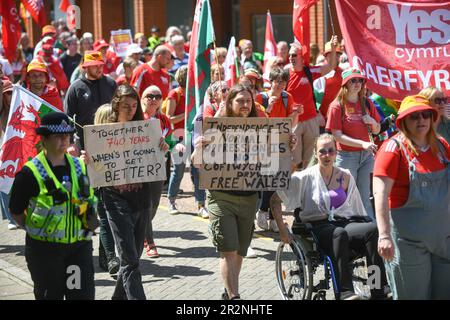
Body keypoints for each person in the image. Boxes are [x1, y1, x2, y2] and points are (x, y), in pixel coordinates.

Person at [192, 84, 297, 299]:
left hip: (249, 198)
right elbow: (195, 163)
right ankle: (234, 297)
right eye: (240, 100)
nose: (245, 105)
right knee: (228, 250)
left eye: (248, 101)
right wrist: (200, 148)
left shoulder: (260, 127)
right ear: (229, 102)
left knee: (239, 250)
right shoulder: (210, 126)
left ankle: (229, 290)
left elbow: (274, 158)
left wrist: (287, 144)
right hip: (221, 197)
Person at [272, 133, 390, 300]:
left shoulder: (345, 175)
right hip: (316, 226)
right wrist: (283, 230)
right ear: (315, 153)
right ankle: (344, 292)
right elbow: (275, 200)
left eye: (330, 151)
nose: (327, 155)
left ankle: (378, 289)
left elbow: (355, 208)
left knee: (372, 229)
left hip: (342, 222)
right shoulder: (304, 177)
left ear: (336, 153)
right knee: (338, 234)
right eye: (322, 151)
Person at [8, 112, 97, 300]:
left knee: (81, 296)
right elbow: (16, 212)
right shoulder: (29, 173)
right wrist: (39, 229)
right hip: (45, 252)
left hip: (78, 249)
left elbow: (86, 200)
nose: (65, 139)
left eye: (68, 135)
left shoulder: (79, 166)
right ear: (44, 139)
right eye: (59, 135)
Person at [373, 95, 450, 300]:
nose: (421, 120)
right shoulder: (393, 148)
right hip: (409, 243)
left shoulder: (442, 146)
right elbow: (380, 193)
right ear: (403, 121)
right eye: (414, 116)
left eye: (426, 115)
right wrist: (384, 235)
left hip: (443, 239)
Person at [98, 84, 168, 300]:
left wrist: (161, 150)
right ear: (116, 106)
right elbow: (98, 166)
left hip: (141, 199)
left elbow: (155, 163)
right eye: (125, 105)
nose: (130, 109)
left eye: (134, 105)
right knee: (129, 258)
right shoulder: (104, 132)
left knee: (133, 256)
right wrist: (90, 162)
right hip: (115, 199)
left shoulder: (145, 129)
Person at [326, 68, 381, 218]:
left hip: (366, 156)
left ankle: (369, 228)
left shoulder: (367, 103)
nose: (358, 83)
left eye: (360, 80)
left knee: (364, 194)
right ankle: (340, 225)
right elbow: (337, 136)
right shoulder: (337, 105)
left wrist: (373, 122)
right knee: (344, 194)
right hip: (347, 155)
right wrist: (362, 144)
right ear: (346, 84)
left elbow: (377, 130)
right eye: (353, 80)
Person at [254, 67, 300, 231]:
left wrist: (296, 114)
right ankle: (262, 211)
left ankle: (273, 218)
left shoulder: (288, 98)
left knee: (279, 180)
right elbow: (256, 122)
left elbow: (290, 124)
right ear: (271, 81)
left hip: (281, 143)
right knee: (268, 179)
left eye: (283, 81)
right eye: (277, 81)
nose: (280, 84)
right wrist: (268, 109)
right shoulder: (261, 97)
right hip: (265, 143)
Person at [286, 36, 339, 169]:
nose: (291, 58)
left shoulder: (310, 71)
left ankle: (307, 188)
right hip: (293, 122)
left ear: (301, 57)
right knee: (293, 160)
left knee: (310, 160)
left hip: (311, 120)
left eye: (294, 55)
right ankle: (294, 187)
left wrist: (332, 49)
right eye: (290, 55)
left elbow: (331, 67)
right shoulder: (285, 74)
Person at [141, 85, 175, 258]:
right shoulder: (137, 118)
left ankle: (142, 230)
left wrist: (167, 144)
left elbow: (171, 143)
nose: (153, 99)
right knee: (145, 205)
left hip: (158, 166)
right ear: (143, 98)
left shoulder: (164, 120)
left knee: (153, 205)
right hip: (139, 167)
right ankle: (149, 241)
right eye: (149, 95)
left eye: (157, 96)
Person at [65, 50, 117, 150]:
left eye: (101, 65)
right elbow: (68, 117)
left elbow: (119, 110)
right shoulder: (76, 88)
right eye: (95, 66)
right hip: (85, 142)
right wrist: (70, 142)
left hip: (112, 140)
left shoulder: (111, 84)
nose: (99, 69)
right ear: (86, 67)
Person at [93, 104, 120, 276]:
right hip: (100, 186)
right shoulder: (93, 140)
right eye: (112, 117)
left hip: (118, 186)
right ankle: (111, 257)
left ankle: (104, 256)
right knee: (104, 219)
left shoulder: (121, 136)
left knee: (109, 221)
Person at [0, 80, 17, 230]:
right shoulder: (2, 112)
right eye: (7, 93)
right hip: (3, 151)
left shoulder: (21, 106)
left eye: (13, 92)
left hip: (19, 149)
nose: (11, 96)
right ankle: (11, 218)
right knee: (4, 181)